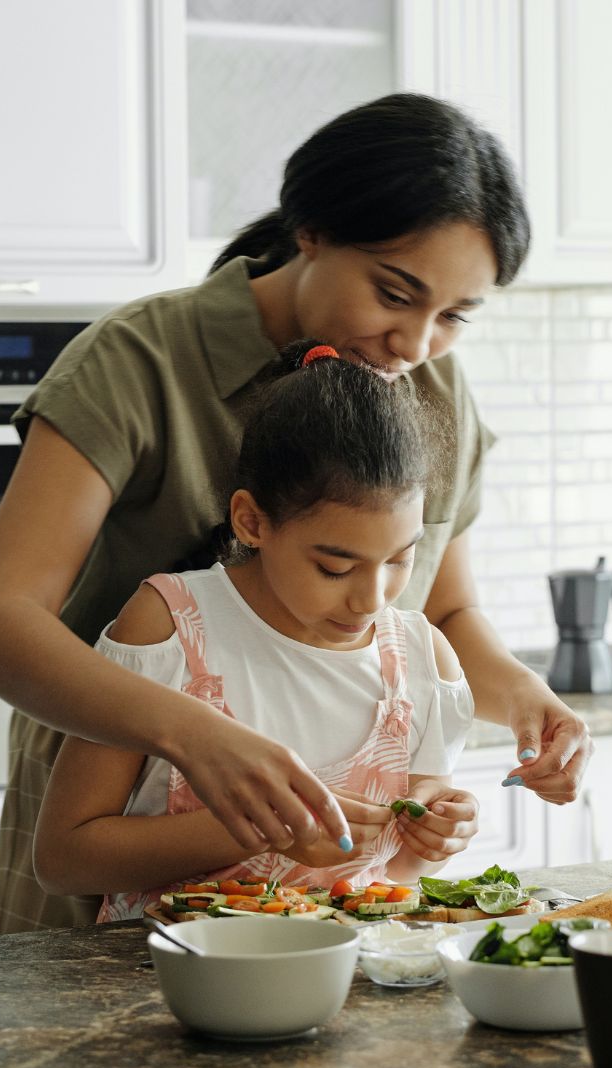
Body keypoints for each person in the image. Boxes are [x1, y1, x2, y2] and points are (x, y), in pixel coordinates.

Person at [0, 92, 594, 934]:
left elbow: (441, 610)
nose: (416, 343)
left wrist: (523, 700)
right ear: (313, 232)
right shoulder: (138, 361)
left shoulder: (430, 387)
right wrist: (197, 737)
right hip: (116, 831)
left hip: (323, 901)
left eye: (453, 317)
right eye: (395, 293)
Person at [32, 342, 479, 918]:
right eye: (335, 567)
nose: (372, 598)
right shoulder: (169, 628)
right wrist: (260, 829)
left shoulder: (422, 660)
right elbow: (63, 859)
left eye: (400, 559)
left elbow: (399, 875)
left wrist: (434, 839)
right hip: (164, 982)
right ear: (252, 521)